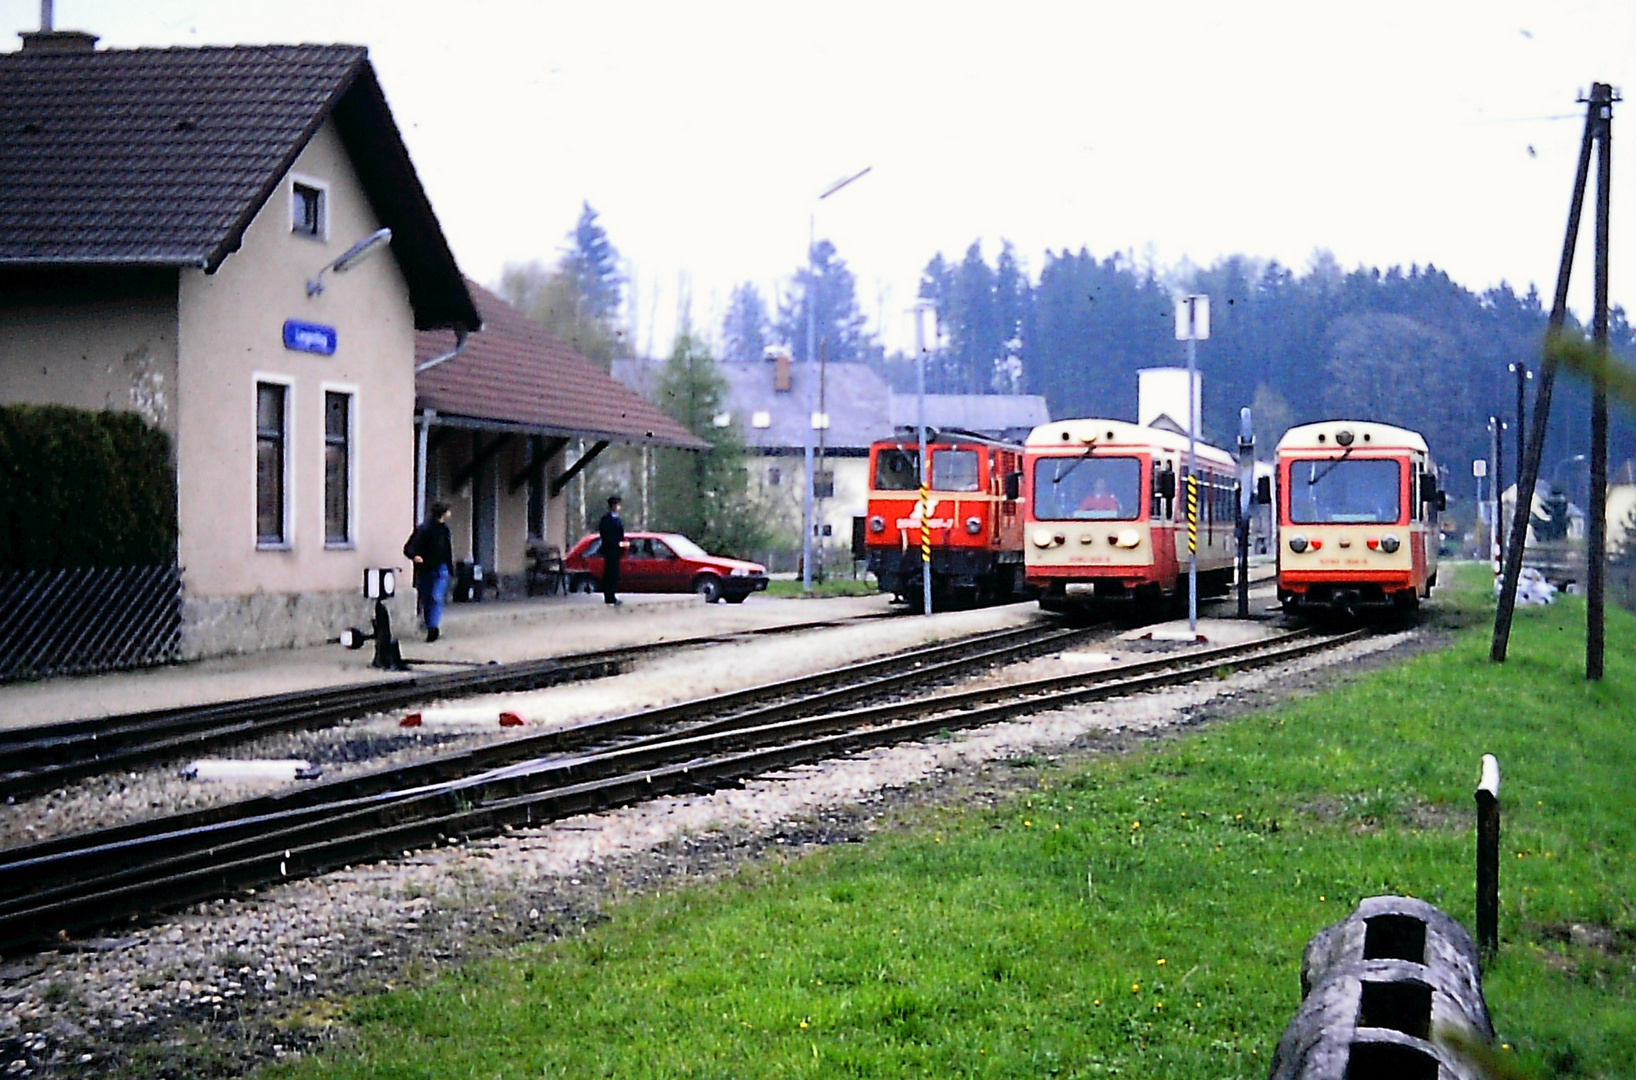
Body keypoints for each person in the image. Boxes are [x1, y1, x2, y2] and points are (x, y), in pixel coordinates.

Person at [403, 502, 454, 642]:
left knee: (436, 596)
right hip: (426, 569)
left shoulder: (445, 530)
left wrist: (450, 568)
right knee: (426, 598)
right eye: (448, 511)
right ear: (443, 514)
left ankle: (433, 627)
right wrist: (415, 556)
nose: (450, 514)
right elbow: (409, 548)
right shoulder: (424, 530)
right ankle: (429, 624)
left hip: (441, 568)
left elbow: (447, 551)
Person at [597, 494, 626, 606]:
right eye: (617, 504)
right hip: (610, 549)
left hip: (616, 550)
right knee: (609, 573)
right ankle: (608, 596)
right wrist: (614, 543)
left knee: (615, 573)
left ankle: (612, 595)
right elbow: (605, 534)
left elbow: (620, 533)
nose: (618, 507)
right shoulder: (606, 519)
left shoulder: (617, 519)